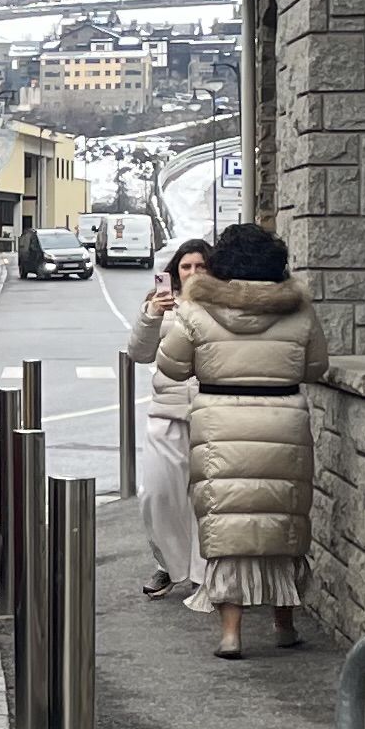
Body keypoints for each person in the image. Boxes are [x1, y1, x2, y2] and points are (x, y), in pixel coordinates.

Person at [157, 221, 330, 658]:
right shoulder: (300, 309)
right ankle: (284, 626)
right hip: (283, 420)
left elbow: (172, 368)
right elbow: (315, 368)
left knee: (227, 527)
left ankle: (231, 634)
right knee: (282, 523)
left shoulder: (196, 310)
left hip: (221, 424)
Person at [124, 239, 214, 603]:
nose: (193, 273)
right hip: (166, 411)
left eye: (200, 266)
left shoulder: (221, 303)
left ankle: (199, 573)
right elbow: (138, 353)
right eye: (186, 267)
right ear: (175, 271)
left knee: (202, 498)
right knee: (157, 495)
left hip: (210, 412)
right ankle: (168, 564)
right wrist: (151, 315)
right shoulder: (160, 303)